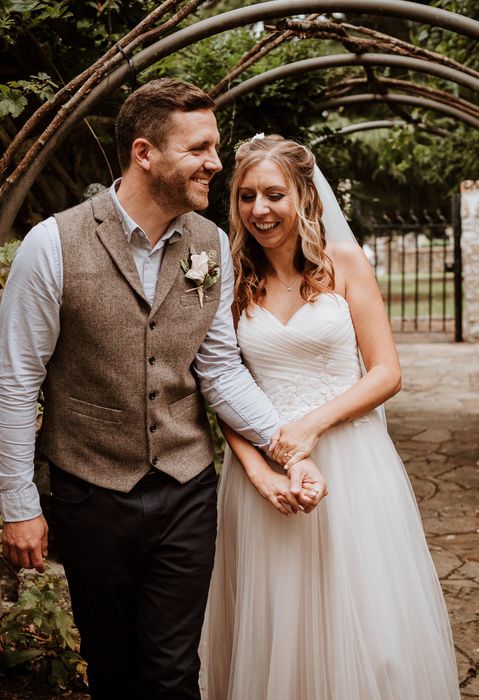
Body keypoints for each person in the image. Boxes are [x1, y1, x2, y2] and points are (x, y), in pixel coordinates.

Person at [0, 80, 326, 700]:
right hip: (91, 494)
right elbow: (14, 384)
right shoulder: (52, 244)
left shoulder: (210, 246)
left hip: (186, 491)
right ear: (145, 153)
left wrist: (285, 446)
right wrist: (18, 504)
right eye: (199, 148)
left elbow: (221, 369)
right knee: (113, 670)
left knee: (175, 674)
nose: (215, 162)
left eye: (216, 146)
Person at [199, 135, 461, 699]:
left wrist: (311, 428)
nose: (259, 210)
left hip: (352, 464)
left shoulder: (343, 264)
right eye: (246, 196)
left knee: (368, 629)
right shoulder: (232, 279)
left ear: (304, 196)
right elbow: (222, 385)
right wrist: (258, 469)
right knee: (271, 622)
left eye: (274, 194)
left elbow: (386, 372)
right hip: (262, 474)